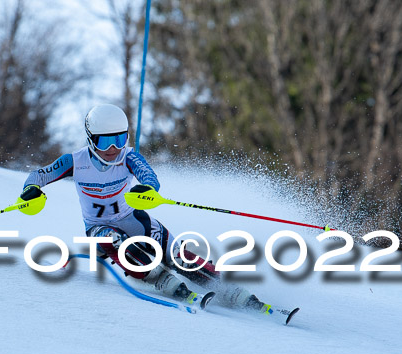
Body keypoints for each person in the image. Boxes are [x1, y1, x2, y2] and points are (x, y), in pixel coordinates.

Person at [19, 103, 268, 312]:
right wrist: (30, 190)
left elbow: (150, 178)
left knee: (177, 255)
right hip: (99, 228)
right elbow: (39, 175)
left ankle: (230, 290)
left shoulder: (129, 157)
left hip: (134, 219)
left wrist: (147, 190)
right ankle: (160, 279)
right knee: (113, 239)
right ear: (91, 140)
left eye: (119, 139)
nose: (113, 149)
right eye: (105, 142)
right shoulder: (75, 161)